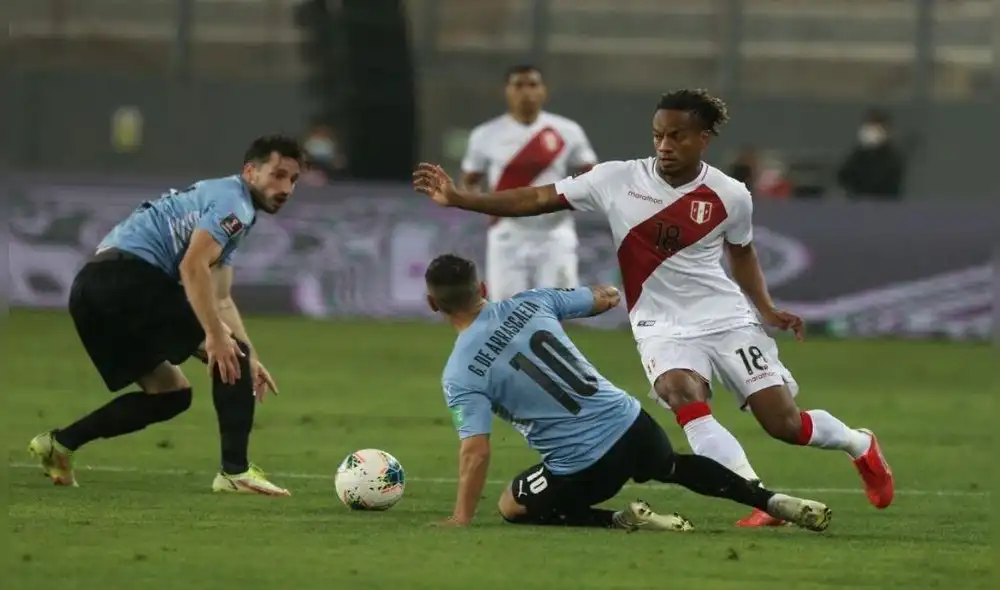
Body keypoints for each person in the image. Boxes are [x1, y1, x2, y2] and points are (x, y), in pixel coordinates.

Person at [413, 89, 895, 528]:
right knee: (682, 395)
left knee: (784, 425)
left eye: (677, 136)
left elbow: (742, 253)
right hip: (659, 325)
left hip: (726, 318)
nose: (664, 145)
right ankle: (761, 501)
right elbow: (539, 197)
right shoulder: (617, 179)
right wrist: (462, 199)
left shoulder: (730, 194)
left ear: (703, 139)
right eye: (658, 135)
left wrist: (765, 307)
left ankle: (860, 444)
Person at [426, 254, 831, 532]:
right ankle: (769, 500)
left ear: (433, 304)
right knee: (673, 466)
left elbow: (476, 450)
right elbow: (606, 296)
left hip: (585, 468)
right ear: (481, 285)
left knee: (511, 507)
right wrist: (598, 296)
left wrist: (461, 517)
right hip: (633, 424)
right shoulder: (533, 303)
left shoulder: (460, 372)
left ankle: (620, 520)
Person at [28, 134, 305, 496]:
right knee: (227, 352)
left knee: (171, 394)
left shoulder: (224, 204)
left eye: (293, 180)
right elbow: (193, 268)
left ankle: (59, 444)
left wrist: (248, 354)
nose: (286, 187)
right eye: (278, 174)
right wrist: (220, 339)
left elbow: (220, 298)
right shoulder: (233, 205)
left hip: (90, 290)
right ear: (250, 171)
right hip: (128, 279)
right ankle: (235, 473)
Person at [460, 65, 598, 300]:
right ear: (507, 91)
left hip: (554, 233)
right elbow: (469, 183)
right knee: (508, 313)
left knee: (557, 307)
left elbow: (594, 176)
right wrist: (486, 205)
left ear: (544, 91)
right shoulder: (485, 135)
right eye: (518, 85)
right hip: (508, 234)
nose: (526, 92)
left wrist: (572, 198)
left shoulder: (568, 131)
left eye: (533, 85)